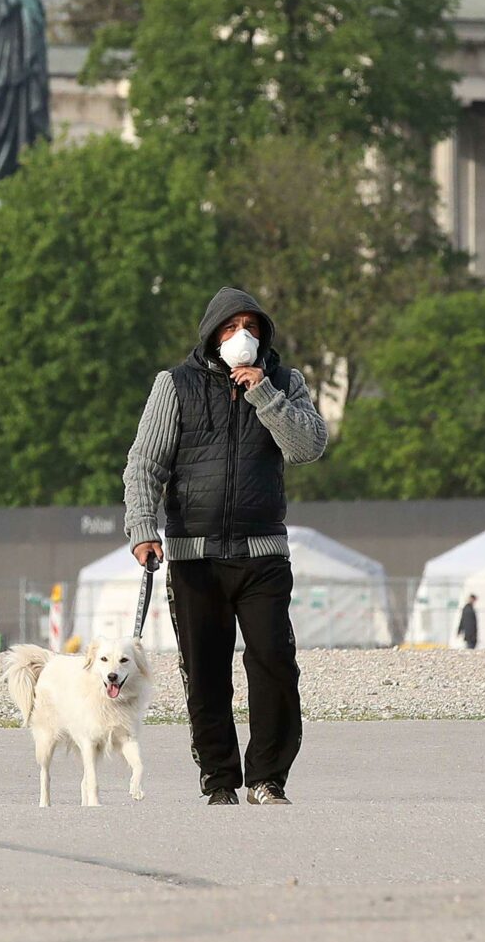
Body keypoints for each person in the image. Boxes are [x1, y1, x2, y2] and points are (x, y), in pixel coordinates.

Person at [123, 286, 330, 806]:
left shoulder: (286, 382)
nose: (244, 335)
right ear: (213, 333)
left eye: (253, 326)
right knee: (206, 673)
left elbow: (308, 447)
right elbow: (145, 464)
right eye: (233, 326)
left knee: (274, 665)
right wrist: (143, 528)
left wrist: (264, 394)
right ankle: (219, 780)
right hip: (195, 558)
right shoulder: (174, 385)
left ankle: (267, 778)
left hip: (262, 555)